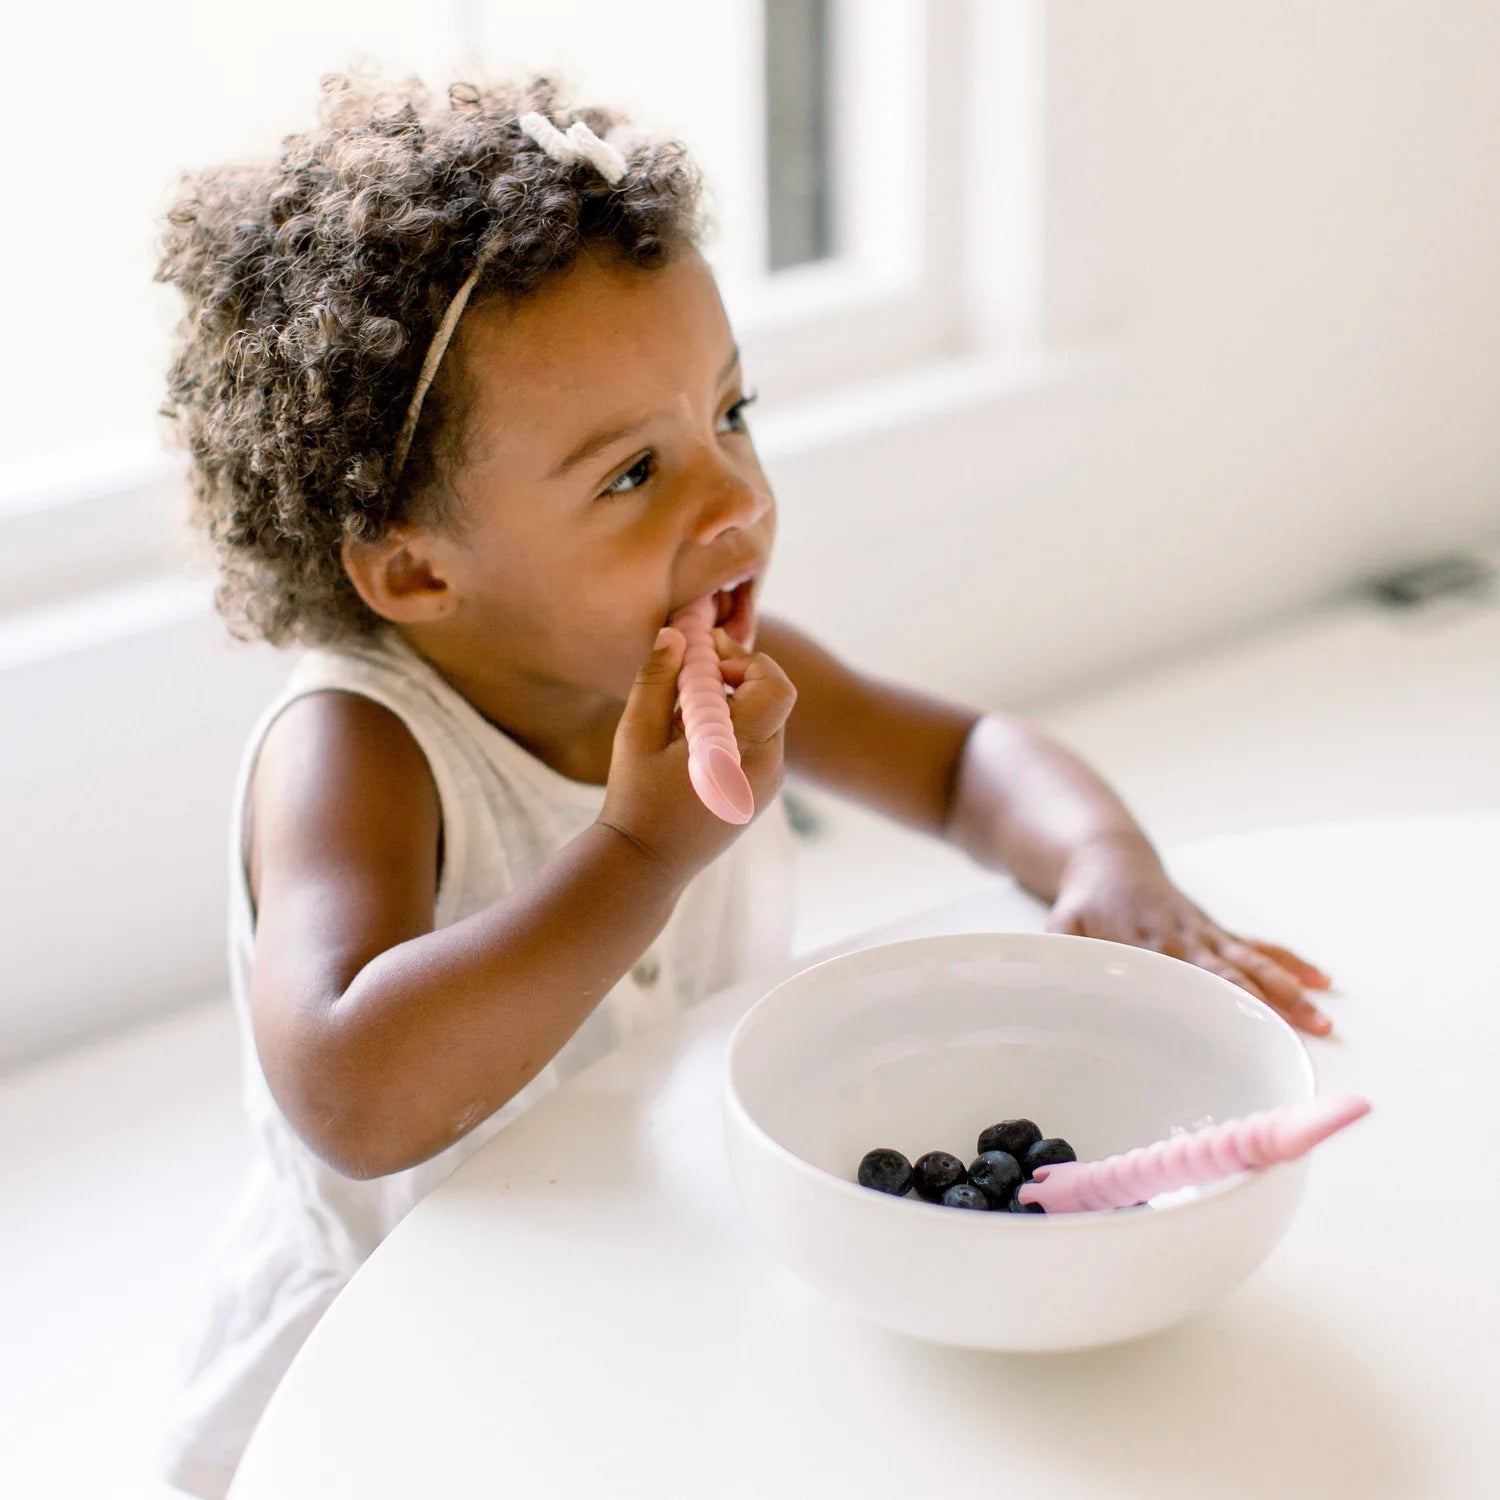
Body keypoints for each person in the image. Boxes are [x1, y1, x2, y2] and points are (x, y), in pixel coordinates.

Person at [153, 73, 1334, 1497]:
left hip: (654, 1256)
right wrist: (643, 853)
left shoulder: (726, 656)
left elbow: (964, 761)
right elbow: (354, 1094)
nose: (735, 501)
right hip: (412, 1338)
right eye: (629, 476)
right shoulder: (360, 749)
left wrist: (1103, 863)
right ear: (415, 571)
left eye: (733, 413)